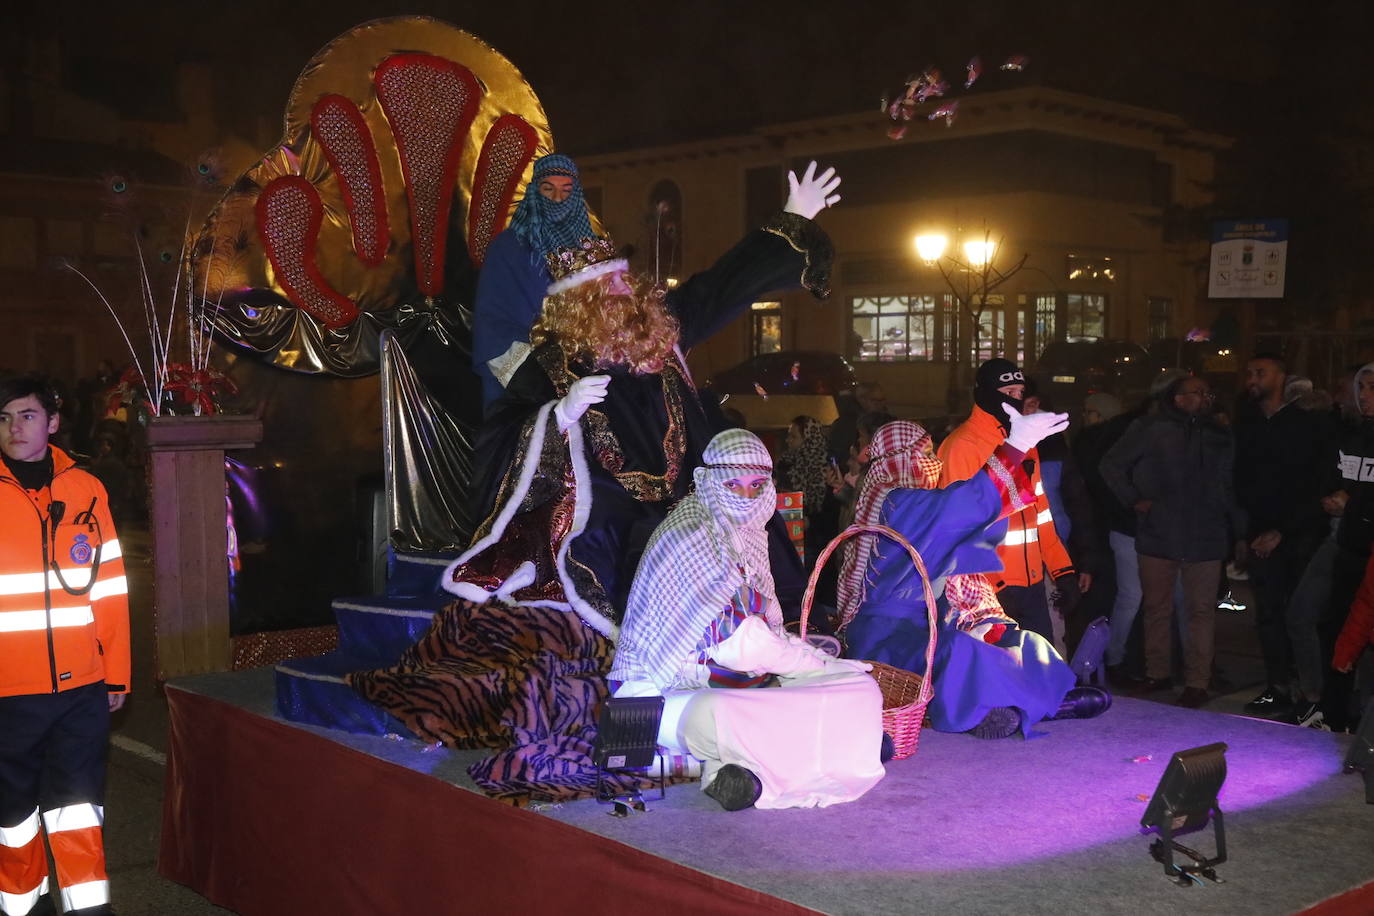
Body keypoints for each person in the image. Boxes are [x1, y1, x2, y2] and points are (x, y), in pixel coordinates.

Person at [451, 162, 841, 634]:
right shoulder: (552, 363)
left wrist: (791, 220)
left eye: (622, 284)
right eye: (608, 291)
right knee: (610, 548)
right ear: (582, 307)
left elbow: (720, 286)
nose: (623, 295)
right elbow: (507, 426)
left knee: (745, 533)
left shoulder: (660, 333)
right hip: (609, 503)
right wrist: (562, 411)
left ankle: (763, 631)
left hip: (688, 491)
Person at [609, 429, 883, 810]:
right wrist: (817, 664)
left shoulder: (751, 536)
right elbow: (742, 646)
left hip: (743, 681)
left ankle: (734, 773)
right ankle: (842, 745)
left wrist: (819, 667)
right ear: (709, 482)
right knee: (725, 714)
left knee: (860, 689)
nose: (746, 497)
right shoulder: (688, 537)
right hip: (664, 693)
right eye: (733, 485)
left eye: (757, 486)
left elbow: (762, 636)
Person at [837, 417, 1108, 738]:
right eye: (925, 453)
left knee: (1010, 637)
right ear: (901, 457)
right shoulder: (895, 501)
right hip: (885, 634)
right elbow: (961, 505)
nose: (935, 461)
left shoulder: (910, 502)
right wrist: (1015, 448)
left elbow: (956, 523)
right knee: (961, 650)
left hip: (929, 618)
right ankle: (1001, 710)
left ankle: (1045, 696)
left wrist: (977, 618)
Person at [0, 375, 129, 916]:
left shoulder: (86, 489)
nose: (13, 428)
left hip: (81, 688)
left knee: (77, 809)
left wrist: (116, 674)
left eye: (26, 415)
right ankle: (20, 907)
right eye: (3, 418)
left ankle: (84, 908)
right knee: (13, 817)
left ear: (52, 423)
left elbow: (112, 587)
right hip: (9, 691)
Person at [1100, 374, 1242, 708]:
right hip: (1160, 532)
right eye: (1197, 392)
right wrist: (1134, 499)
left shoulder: (1220, 435)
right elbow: (1111, 465)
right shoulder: (1150, 429)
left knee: (1201, 610)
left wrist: (1238, 531)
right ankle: (1158, 673)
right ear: (1177, 398)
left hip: (1205, 535)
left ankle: (1197, 682)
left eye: (1208, 392)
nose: (1205, 398)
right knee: (1157, 608)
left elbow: (1230, 486)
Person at [938, 359, 1079, 644]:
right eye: (1007, 392)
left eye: (1019, 392)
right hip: (989, 594)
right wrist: (989, 587)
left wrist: (1062, 570)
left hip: (1032, 584)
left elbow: (1040, 513)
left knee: (1041, 675)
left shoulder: (1023, 440)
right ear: (985, 393)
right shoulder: (962, 446)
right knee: (999, 681)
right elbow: (958, 525)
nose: (1014, 399)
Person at [1233, 354, 1329, 721]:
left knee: (1301, 614)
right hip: (1260, 533)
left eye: (1261, 372)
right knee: (1269, 613)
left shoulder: (1308, 425)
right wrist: (1246, 532)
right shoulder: (1249, 423)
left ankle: (1311, 692)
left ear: (1281, 376)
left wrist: (1283, 531)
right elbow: (1241, 482)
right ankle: (1278, 688)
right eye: (1250, 372)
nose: (1252, 378)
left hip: (1300, 534)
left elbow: (1315, 486)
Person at [472, 154, 598, 405]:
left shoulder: (590, 250)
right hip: (527, 377)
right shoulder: (508, 248)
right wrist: (546, 379)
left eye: (566, 191)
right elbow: (492, 322)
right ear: (535, 193)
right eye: (548, 189)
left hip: (586, 374)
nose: (557, 199)